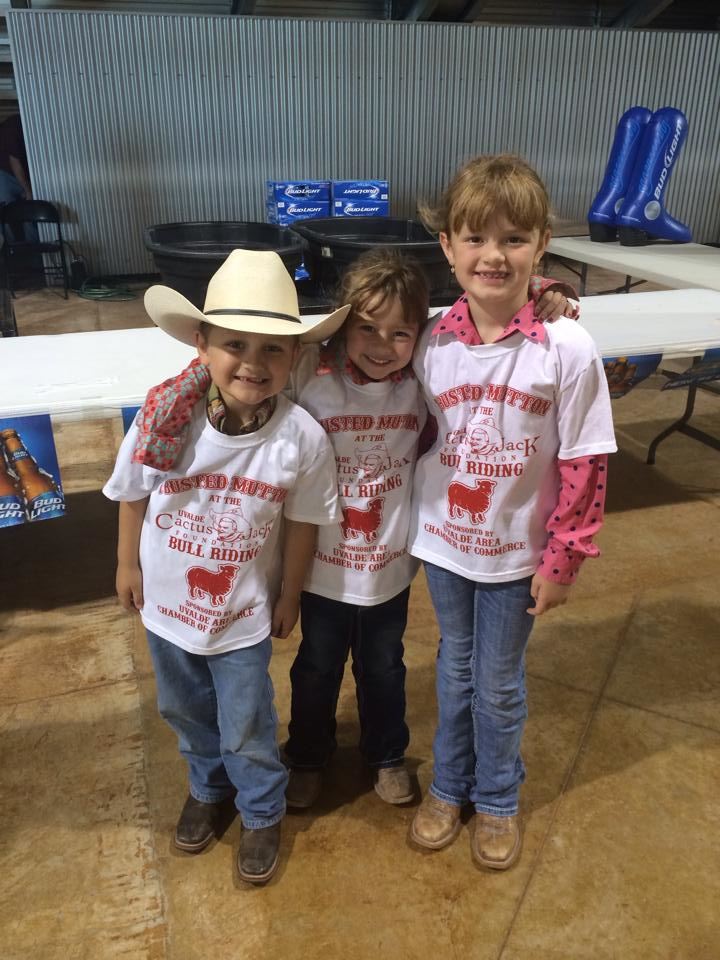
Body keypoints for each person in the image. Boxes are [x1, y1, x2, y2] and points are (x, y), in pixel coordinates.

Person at [134, 250, 578, 816]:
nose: (380, 344)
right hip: (318, 569)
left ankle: (386, 753)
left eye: (399, 332)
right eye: (365, 328)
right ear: (341, 330)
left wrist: (543, 288)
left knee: (384, 667)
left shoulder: (423, 374)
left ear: (419, 336)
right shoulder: (307, 373)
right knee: (316, 668)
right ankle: (310, 755)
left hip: (389, 571)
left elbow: (481, 313)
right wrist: (173, 402)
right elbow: (240, 357)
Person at [103, 249, 350, 885]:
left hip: (241, 613)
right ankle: (208, 788)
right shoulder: (164, 424)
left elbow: (302, 523)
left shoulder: (301, 439)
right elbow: (133, 491)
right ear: (202, 344)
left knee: (246, 722)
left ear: (294, 357)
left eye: (274, 350)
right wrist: (127, 564)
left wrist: (291, 592)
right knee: (183, 710)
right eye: (235, 344)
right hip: (165, 607)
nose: (253, 363)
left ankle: (261, 809)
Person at [407, 154, 616, 871]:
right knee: (453, 670)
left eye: (514, 240)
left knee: (497, 685)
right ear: (448, 246)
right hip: (443, 546)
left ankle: (496, 799)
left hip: (515, 556)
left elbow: (586, 461)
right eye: (476, 238)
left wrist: (565, 557)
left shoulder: (568, 346)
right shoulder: (430, 341)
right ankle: (448, 785)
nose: (493, 256)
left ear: (541, 244)